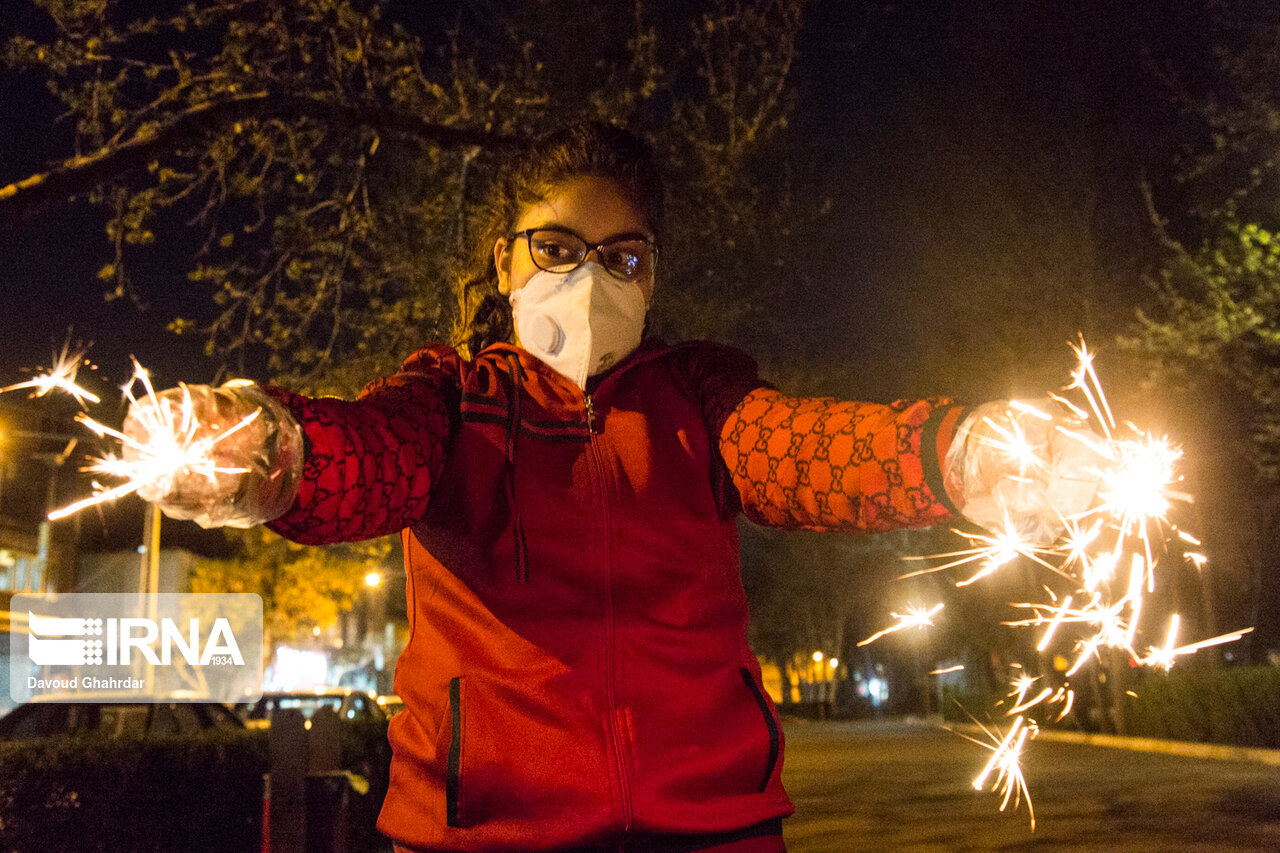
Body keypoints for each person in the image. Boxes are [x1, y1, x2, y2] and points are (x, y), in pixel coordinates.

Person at [127, 121, 1098, 852]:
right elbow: (371, 458)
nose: (588, 276)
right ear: (506, 258)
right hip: (482, 839)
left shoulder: (697, 396)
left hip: (712, 831)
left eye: (622, 256)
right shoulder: (447, 398)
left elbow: (798, 447)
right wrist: (273, 451)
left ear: (649, 275)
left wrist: (957, 454)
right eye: (556, 246)